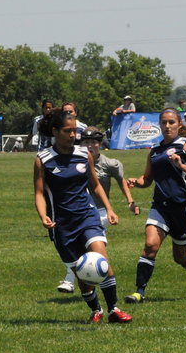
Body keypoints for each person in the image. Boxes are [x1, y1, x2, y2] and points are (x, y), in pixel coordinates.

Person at [33, 108, 133, 323]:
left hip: (87, 215)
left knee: (100, 257)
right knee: (82, 271)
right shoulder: (43, 159)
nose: (72, 135)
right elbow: (39, 193)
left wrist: (109, 209)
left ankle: (114, 309)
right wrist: (43, 216)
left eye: (74, 131)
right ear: (55, 131)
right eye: (67, 131)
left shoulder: (83, 154)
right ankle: (96, 309)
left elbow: (95, 185)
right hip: (62, 224)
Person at [124, 108, 186, 304]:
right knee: (150, 245)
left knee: (179, 257)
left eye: (171, 122)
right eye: (164, 122)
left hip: (183, 207)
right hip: (160, 207)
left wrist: (182, 166)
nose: (167, 126)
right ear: (160, 125)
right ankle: (139, 292)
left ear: (179, 125)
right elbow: (147, 179)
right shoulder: (155, 151)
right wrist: (137, 182)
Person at [56, 126, 141, 294]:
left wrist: (130, 201)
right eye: (86, 142)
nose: (89, 146)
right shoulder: (73, 161)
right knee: (79, 247)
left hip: (99, 212)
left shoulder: (110, 164)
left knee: (89, 248)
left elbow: (121, 181)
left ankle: (74, 281)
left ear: (100, 144)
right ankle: (83, 281)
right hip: (77, 211)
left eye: (93, 142)